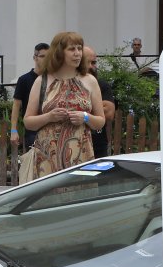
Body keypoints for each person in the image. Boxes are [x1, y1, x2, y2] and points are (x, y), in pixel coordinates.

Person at [23, 30, 106, 178]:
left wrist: (85, 117)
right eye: (72, 49)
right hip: (47, 157)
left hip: (80, 155)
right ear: (59, 52)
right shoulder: (41, 81)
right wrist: (49, 117)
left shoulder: (90, 81)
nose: (77, 53)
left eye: (79, 48)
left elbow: (100, 121)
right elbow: (28, 122)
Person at [9, 42, 49, 158]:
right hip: (32, 130)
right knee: (34, 162)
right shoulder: (24, 79)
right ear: (35, 58)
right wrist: (13, 130)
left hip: (50, 128)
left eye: (48, 56)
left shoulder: (53, 78)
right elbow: (16, 105)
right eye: (42, 56)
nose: (46, 59)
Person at [81, 46, 117, 158]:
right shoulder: (68, 84)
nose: (92, 67)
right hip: (76, 145)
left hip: (98, 145)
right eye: (87, 63)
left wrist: (80, 108)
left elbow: (109, 113)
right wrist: (96, 107)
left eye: (94, 63)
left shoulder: (102, 85)